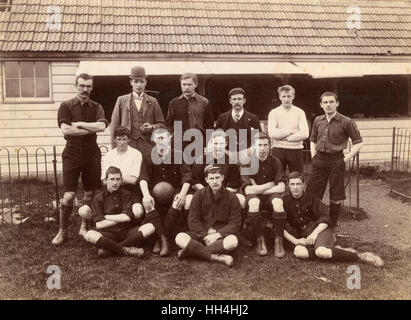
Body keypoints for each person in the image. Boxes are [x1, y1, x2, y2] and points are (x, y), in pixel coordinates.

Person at [283, 171, 384, 267]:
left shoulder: (312, 199)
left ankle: (360, 256)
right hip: (304, 235)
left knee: (321, 252)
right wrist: (295, 240)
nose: (295, 188)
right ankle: (334, 250)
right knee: (299, 252)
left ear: (303, 185)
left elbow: (326, 217)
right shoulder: (285, 201)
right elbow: (279, 225)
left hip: (319, 230)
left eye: (298, 184)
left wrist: (314, 234)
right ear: (288, 186)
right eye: (292, 184)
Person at [53, 73, 108, 246]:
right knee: (69, 195)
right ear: (76, 85)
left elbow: (102, 126)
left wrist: (79, 124)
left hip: (91, 154)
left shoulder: (97, 106)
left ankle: (84, 226)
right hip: (72, 153)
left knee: (90, 193)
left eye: (88, 86)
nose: (85, 89)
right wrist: (90, 129)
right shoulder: (66, 106)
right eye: (82, 85)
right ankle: (62, 231)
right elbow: (66, 131)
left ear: (92, 87)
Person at [306, 91, 364, 227]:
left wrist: (346, 159)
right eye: (325, 102)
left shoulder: (346, 122)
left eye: (331, 102)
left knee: (336, 195)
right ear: (321, 105)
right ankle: (312, 222)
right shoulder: (317, 120)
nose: (328, 105)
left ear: (337, 103)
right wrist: (313, 156)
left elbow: (359, 142)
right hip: (319, 160)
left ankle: (331, 224)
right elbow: (313, 139)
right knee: (312, 193)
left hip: (336, 161)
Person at [80, 166, 155, 258]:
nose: (115, 182)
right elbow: (100, 224)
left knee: (150, 228)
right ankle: (126, 249)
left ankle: (111, 248)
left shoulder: (126, 194)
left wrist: (106, 217)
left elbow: (127, 218)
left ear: (121, 181)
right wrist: (121, 217)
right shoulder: (98, 198)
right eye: (112, 179)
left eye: (117, 179)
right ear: (105, 181)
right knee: (90, 235)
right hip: (108, 233)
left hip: (126, 231)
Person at [175, 165, 242, 267]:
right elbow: (193, 220)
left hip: (221, 236)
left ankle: (191, 251)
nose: (215, 181)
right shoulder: (198, 195)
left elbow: (235, 223)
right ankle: (217, 257)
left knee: (232, 242)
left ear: (222, 178)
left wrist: (217, 235)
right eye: (211, 178)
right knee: (179, 237)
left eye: (217, 178)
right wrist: (205, 236)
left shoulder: (232, 197)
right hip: (201, 235)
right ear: (206, 180)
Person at [143, 127, 192, 256]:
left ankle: (159, 240)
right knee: (147, 203)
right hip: (155, 192)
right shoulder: (148, 156)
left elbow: (187, 176)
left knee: (178, 202)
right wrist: (146, 195)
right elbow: (143, 178)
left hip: (174, 191)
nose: (160, 140)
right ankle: (163, 239)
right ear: (153, 139)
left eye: (163, 137)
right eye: (157, 138)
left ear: (170, 138)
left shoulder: (179, 154)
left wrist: (182, 194)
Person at [92, 126, 147, 236]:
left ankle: (132, 229)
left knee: (137, 211)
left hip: (131, 190)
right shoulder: (109, 155)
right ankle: (111, 230)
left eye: (124, 139)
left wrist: (114, 178)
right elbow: (104, 179)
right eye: (119, 139)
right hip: (111, 190)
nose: (122, 142)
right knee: (107, 210)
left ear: (129, 140)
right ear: (114, 140)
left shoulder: (136, 154)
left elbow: (133, 180)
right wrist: (117, 179)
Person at [242, 132, 286, 258]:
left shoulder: (276, 161)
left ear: (270, 146)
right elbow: (248, 191)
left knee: (278, 202)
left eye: (265, 145)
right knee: (254, 203)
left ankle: (278, 240)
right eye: (259, 145)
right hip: (254, 196)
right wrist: (270, 184)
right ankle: (259, 239)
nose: (262, 148)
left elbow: (282, 187)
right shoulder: (247, 163)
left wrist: (258, 189)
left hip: (270, 196)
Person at [110, 66, 166, 162]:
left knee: (146, 172)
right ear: (131, 82)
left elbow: (162, 125)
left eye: (141, 81)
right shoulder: (121, 100)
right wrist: (114, 148)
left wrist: (152, 127)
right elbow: (114, 126)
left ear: (146, 82)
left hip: (147, 145)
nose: (139, 85)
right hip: (128, 143)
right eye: (136, 81)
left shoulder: (153, 101)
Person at [190, 130, 245, 208]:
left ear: (226, 144)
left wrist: (220, 193)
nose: (218, 147)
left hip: (224, 194)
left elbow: (234, 186)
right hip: (203, 193)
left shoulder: (231, 162)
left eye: (221, 143)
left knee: (241, 199)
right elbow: (194, 182)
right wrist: (208, 193)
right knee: (189, 200)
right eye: (215, 143)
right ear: (211, 144)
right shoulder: (201, 160)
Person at [166, 72, 214, 153]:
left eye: (189, 84)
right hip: (179, 145)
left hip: (199, 143)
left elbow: (210, 126)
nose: (186, 87)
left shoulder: (204, 102)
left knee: (198, 165)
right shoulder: (173, 103)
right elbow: (169, 125)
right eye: (184, 84)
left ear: (196, 84)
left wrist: (208, 145)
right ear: (180, 85)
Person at [267, 85, 309, 175]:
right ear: (279, 97)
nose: (286, 99)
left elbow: (305, 133)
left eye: (289, 96)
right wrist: (290, 131)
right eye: (283, 96)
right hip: (278, 149)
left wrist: (287, 138)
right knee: (277, 177)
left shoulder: (300, 112)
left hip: (296, 150)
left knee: (297, 178)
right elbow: (272, 133)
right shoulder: (274, 112)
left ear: (293, 96)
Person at [215, 87, 261, 153]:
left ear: (244, 100)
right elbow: (216, 138)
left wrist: (248, 152)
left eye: (239, 99)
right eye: (234, 99)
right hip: (227, 155)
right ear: (230, 101)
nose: (237, 102)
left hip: (247, 156)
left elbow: (259, 140)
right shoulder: (222, 118)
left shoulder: (253, 118)